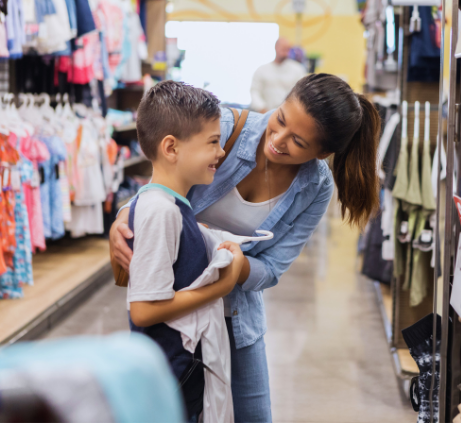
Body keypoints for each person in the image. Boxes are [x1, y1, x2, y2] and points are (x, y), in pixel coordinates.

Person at [111, 73, 381, 422]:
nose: (278, 140)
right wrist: (122, 218)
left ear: (323, 153)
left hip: (236, 314)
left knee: (252, 414)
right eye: (279, 119)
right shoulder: (220, 127)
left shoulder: (315, 187)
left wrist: (234, 268)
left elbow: (272, 269)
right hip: (173, 309)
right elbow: (158, 185)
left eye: (298, 141)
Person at [125, 81, 244, 422]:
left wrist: (202, 238)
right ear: (171, 148)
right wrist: (221, 286)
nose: (221, 153)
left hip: (180, 373)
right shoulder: (160, 210)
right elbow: (144, 310)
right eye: (212, 142)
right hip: (171, 377)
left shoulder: (174, 206)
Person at [250, 37, 307, 113]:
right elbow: (255, 92)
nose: (285, 52)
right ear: (276, 47)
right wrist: (262, 109)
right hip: (265, 114)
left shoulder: (298, 70)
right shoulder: (262, 70)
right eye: (282, 48)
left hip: (289, 115)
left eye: (287, 49)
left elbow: (303, 93)